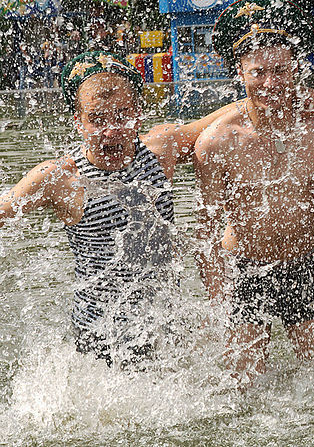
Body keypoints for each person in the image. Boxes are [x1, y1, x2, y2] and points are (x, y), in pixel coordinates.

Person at [0, 51, 238, 366]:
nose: (112, 131)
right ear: (78, 122)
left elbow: (232, 116)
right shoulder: (59, 178)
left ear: (139, 113)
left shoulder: (159, 151)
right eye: (97, 119)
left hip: (162, 327)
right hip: (98, 339)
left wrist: (292, 104)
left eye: (122, 115)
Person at [193, 0, 314, 380]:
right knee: (238, 396)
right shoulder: (216, 142)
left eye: (280, 70)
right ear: (240, 74)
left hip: (305, 265)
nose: (270, 83)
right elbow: (207, 234)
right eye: (258, 72)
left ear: (295, 68)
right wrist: (218, 303)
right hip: (244, 270)